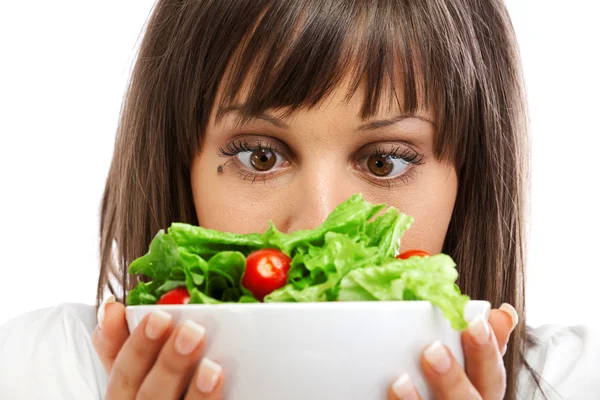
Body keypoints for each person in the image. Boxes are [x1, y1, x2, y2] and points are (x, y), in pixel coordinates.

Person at [0, 0, 598, 399]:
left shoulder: (574, 382)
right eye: (261, 156)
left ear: (469, 178)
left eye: (384, 161)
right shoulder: (37, 372)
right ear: (179, 166)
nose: (318, 223)